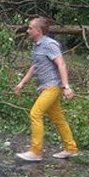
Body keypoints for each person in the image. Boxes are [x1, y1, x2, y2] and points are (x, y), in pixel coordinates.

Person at [14, 17, 79, 161]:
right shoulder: (37, 45)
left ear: (39, 30)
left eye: (30, 28)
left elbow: (61, 64)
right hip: (45, 87)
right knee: (58, 118)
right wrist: (22, 83)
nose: (28, 30)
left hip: (53, 86)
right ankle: (71, 148)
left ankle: (36, 152)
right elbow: (35, 66)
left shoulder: (49, 44)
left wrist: (66, 87)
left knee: (35, 114)